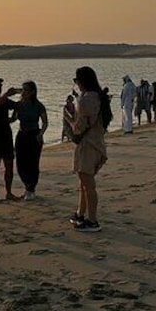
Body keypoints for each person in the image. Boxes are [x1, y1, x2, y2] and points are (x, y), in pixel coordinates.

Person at [63, 67, 111, 233]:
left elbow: (79, 127)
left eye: (76, 81)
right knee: (84, 183)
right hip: (96, 144)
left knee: (88, 185)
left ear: (81, 81)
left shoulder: (86, 100)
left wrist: (68, 118)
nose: (76, 84)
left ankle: (92, 220)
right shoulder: (97, 96)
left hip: (88, 146)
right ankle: (80, 214)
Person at [11, 81, 48, 200]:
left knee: (33, 163)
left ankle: (31, 188)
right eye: (22, 90)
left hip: (34, 134)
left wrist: (41, 134)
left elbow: (45, 122)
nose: (23, 92)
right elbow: (13, 118)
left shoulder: (38, 105)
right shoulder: (19, 105)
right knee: (21, 163)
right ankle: (27, 186)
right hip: (22, 134)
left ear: (32, 92)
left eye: (26, 90)